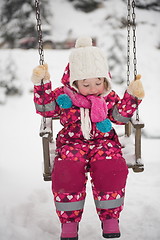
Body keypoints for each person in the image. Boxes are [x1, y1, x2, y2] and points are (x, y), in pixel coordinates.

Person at [31, 37, 145, 240]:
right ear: (74, 82)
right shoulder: (63, 96)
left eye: (98, 82)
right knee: (67, 170)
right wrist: (42, 85)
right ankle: (69, 223)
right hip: (71, 143)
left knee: (111, 166)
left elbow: (119, 117)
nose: (93, 88)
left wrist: (132, 98)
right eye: (86, 84)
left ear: (105, 80)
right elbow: (46, 109)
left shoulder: (106, 97)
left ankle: (110, 218)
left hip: (104, 142)